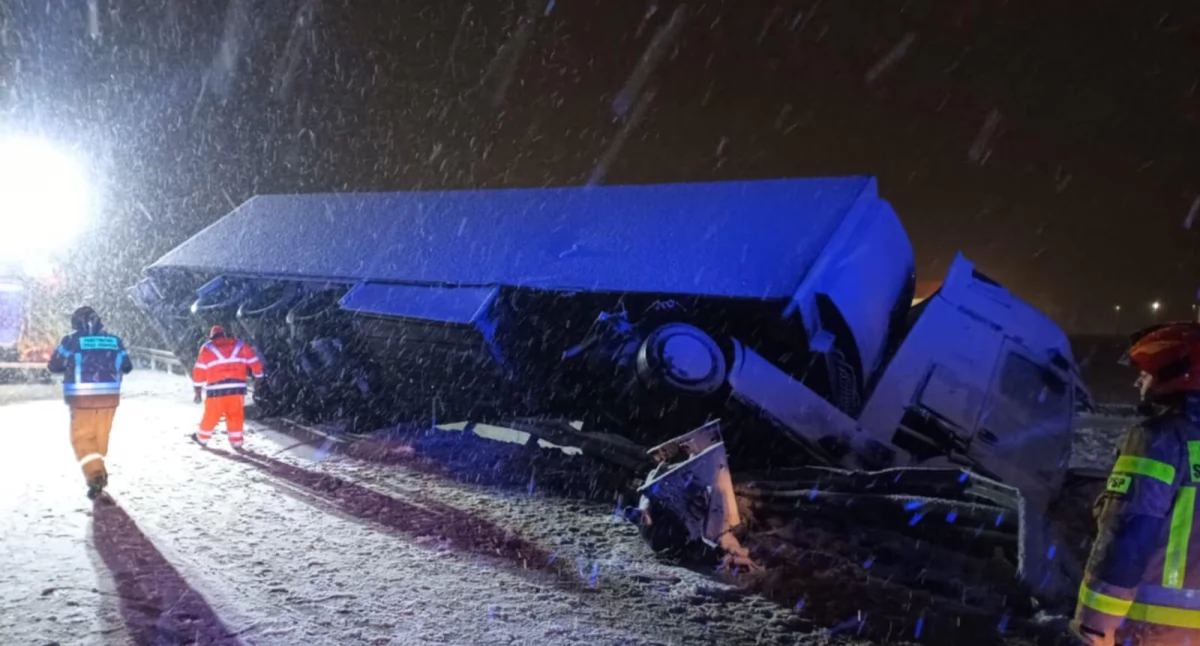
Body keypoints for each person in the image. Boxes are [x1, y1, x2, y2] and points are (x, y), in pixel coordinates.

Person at [1073, 322, 1200, 645]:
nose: (1137, 380)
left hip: (1160, 630)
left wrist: (1094, 625)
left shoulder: (1158, 439)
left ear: (1175, 373)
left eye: (1146, 372)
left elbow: (1128, 535)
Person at [46, 306, 133, 499]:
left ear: (76, 322)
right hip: (109, 398)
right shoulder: (115, 341)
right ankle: (97, 466)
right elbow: (127, 366)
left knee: (82, 439)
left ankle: (95, 476)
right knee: (100, 439)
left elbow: (54, 365)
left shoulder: (71, 341)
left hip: (82, 398)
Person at [191, 325, 263, 449]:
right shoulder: (240, 345)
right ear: (224, 334)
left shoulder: (207, 348)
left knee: (211, 415)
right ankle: (236, 442)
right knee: (235, 415)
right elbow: (254, 361)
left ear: (212, 337)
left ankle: (202, 438)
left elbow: (199, 371)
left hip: (215, 390)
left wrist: (197, 390)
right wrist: (258, 377)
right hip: (236, 389)